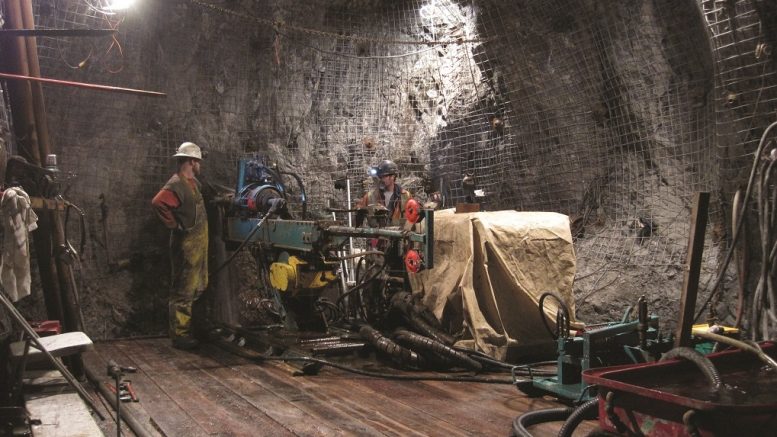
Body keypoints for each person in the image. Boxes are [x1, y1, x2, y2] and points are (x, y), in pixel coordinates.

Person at [151, 142, 208, 350]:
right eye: (198, 161)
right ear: (192, 161)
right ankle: (180, 335)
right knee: (183, 289)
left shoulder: (193, 183)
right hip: (187, 245)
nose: (200, 165)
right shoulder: (176, 184)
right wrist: (174, 224)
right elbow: (158, 202)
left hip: (198, 245)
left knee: (197, 286)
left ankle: (189, 327)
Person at [355, 159, 411, 226]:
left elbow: (412, 217)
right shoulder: (370, 196)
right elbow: (359, 210)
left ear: (392, 177)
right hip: (378, 235)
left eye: (384, 176)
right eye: (380, 177)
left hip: (398, 235)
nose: (381, 179)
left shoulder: (405, 195)